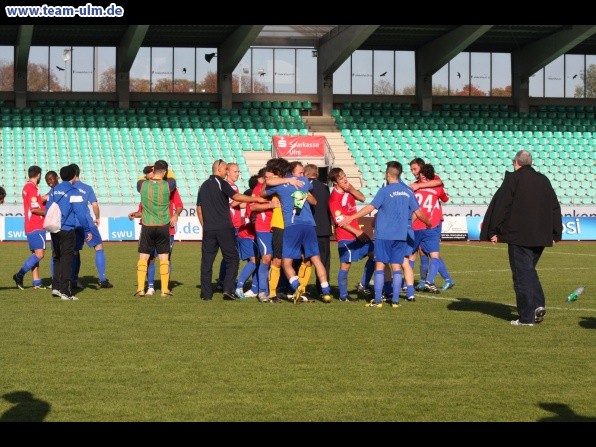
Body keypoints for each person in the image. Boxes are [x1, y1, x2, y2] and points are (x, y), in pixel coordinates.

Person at [480, 149, 562, 327]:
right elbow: (554, 207)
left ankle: (526, 317)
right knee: (529, 270)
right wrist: (556, 232)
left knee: (521, 275)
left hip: (519, 236)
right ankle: (538, 305)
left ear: (516, 162)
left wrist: (493, 230)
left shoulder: (513, 179)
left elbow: (503, 205)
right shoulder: (544, 180)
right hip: (540, 236)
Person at [340, 161, 431, 308]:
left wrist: (351, 217)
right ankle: (395, 301)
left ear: (388, 175)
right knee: (397, 266)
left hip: (384, 235)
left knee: (380, 266)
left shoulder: (385, 190)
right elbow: (419, 213)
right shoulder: (408, 191)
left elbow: (370, 207)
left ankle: (377, 300)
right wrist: (428, 222)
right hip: (400, 236)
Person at [261, 157, 333, 304]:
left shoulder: (279, 185)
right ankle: (326, 291)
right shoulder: (305, 182)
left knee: (286, 262)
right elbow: (310, 195)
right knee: (316, 260)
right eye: (299, 172)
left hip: (292, 226)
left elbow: (265, 188)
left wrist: (283, 180)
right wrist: (293, 182)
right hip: (309, 225)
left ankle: (297, 286)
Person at [196, 159, 267, 301]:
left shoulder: (203, 186)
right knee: (232, 258)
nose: (226, 171)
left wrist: (205, 226)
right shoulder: (222, 183)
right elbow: (235, 197)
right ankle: (228, 289)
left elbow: (199, 208)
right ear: (220, 169)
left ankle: (206, 294)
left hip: (209, 229)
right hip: (224, 228)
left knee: (207, 262)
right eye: (225, 169)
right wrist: (256, 199)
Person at [129, 165, 183, 296]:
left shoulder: (144, 187)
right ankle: (164, 290)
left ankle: (141, 288)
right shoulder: (168, 186)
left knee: (144, 257)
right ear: (164, 172)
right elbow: (172, 180)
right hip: (163, 225)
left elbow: (140, 181)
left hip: (148, 225)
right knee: (163, 258)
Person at [47, 165, 94, 301]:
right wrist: (87, 230)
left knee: (57, 257)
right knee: (67, 260)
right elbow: (81, 213)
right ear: (74, 176)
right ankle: (66, 292)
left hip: (54, 228)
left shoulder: (54, 190)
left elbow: (49, 208)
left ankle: (55, 287)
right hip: (67, 229)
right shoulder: (74, 192)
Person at [328, 167, 374, 302]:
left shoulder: (349, 188)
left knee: (375, 254)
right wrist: (357, 231)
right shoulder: (334, 199)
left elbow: (362, 197)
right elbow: (340, 221)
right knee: (346, 265)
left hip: (357, 233)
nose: (344, 179)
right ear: (335, 183)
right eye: (341, 178)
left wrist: (351, 189)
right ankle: (343, 295)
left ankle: (363, 285)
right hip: (346, 235)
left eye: (344, 176)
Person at [408, 157, 454, 292]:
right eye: (411, 169)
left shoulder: (433, 180)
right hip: (422, 223)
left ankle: (443, 279)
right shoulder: (416, 185)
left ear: (422, 169)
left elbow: (440, 184)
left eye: (414, 169)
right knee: (424, 252)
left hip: (432, 222)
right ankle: (424, 281)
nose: (413, 172)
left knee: (430, 252)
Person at [69, 163, 113, 289]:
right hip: (87, 222)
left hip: (73, 224)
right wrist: (97, 218)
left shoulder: (66, 188)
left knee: (74, 252)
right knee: (98, 247)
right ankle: (102, 278)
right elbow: (94, 205)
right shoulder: (87, 188)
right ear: (78, 173)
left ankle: (74, 279)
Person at [13, 165, 48, 290]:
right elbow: (34, 209)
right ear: (38, 174)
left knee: (35, 254)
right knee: (40, 254)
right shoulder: (32, 188)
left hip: (30, 225)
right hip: (36, 225)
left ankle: (36, 281)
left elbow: (37, 201)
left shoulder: (27, 187)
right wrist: (47, 213)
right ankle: (19, 275)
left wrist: (46, 197)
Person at [304, 163, 332, 297]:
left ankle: (301, 286)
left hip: (308, 227)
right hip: (324, 228)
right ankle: (323, 287)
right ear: (317, 174)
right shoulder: (325, 188)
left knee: (305, 259)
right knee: (324, 260)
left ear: (306, 173)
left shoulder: (304, 186)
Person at [215, 162, 243, 292]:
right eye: (235, 171)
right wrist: (248, 197)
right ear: (227, 172)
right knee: (231, 256)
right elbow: (234, 202)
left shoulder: (234, 187)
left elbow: (239, 204)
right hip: (231, 224)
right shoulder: (227, 187)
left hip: (235, 224)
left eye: (238, 172)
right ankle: (224, 281)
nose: (237, 174)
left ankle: (224, 280)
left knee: (229, 255)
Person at [234, 174, 260, 300]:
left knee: (257, 261)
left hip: (251, 233)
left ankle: (255, 288)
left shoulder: (250, 194)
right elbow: (236, 204)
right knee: (254, 260)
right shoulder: (251, 194)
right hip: (247, 233)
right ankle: (239, 286)